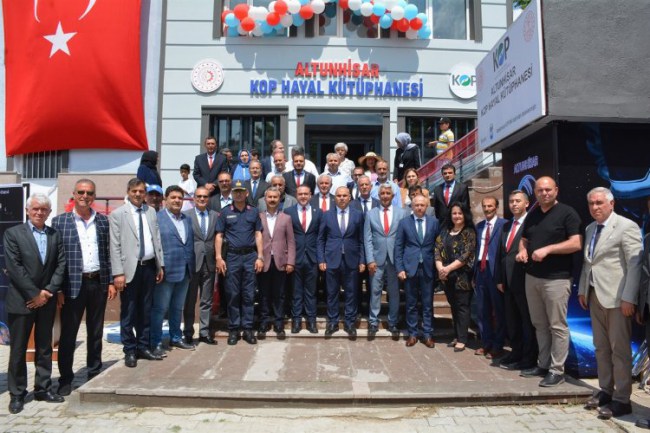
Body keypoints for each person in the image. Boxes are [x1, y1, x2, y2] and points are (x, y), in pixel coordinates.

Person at [578, 187, 641, 419]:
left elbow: (634, 264)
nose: (595, 207)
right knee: (601, 347)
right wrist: (583, 289)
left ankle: (622, 400)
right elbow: (589, 263)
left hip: (617, 299)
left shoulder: (626, 226)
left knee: (619, 350)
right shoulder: (590, 228)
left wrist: (629, 297)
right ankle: (606, 390)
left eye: (599, 203)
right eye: (591, 203)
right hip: (595, 295)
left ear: (611, 203)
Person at [516, 176, 582, 387]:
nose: (544, 193)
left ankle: (557, 370)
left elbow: (576, 243)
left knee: (557, 326)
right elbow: (524, 240)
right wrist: (523, 251)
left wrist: (549, 249)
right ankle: (543, 364)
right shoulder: (533, 214)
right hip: (532, 277)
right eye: (540, 190)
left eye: (548, 190)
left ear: (556, 190)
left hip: (556, 279)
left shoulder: (567, 213)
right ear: (535, 193)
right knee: (540, 324)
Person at [51, 180, 115, 397]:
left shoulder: (103, 221)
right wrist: (58, 289)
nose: (85, 196)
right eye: (81, 192)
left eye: (89, 193)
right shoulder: (60, 222)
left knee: (95, 332)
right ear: (74, 194)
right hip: (72, 285)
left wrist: (110, 281)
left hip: (98, 282)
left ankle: (94, 373)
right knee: (68, 334)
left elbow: (107, 253)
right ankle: (66, 379)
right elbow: (56, 258)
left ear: (94, 196)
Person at [4, 193, 66, 414]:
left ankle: (43, 388)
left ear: (49, 212)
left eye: (44, 209)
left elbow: (61, 265)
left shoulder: (55, 235)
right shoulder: (13, 234)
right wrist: (34, 294)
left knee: (44, 347)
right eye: (35, 209)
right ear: (27, 211)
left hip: (47, 300)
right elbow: (14, 267)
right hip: (22, 301)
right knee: (18, 349)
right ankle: (17, 394)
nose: (39, 212)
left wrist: (47, 292)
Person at [110, 178, 165, 368]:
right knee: (129, 311)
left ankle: (143, 346)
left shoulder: (151, 211)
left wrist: (160, 265)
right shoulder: (118, 214)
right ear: (128, 192)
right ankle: (130, 350)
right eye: (134, 191)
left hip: (149, 267)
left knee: (146, 310)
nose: (138, 194)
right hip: (129, 270)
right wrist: (118, 273)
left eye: (141, 191)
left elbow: (156, 239)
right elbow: (114, 246)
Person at [215, 180, 264, 346]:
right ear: (232, 193)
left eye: (241, 191)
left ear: (246, 193)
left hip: (250, 256)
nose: (238, 194)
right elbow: (219, 236)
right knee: (233, 294)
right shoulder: (225, 212)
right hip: (232, 257)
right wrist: (219, 257)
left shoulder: (253, 212)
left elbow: (258, 234)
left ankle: (248, 328)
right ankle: (234, 329)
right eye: (235, 191)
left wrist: (260, 257)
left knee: (249, 294)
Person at [150, 186, 196, 358]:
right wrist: (158, 267)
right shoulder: (157, 218)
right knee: (160, 309)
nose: (177, 200)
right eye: (173, 197)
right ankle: (155, 342)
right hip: (166, 271)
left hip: (185, 270)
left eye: (180, 198)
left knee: (177, 307)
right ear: (166, 199)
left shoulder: (186, 219)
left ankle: (176, 337)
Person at [495, 190, 538, 371]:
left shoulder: (532, 224)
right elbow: (501, 254)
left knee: (526, 321)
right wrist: (499, 278)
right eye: (511, 201)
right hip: (507, 282)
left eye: (518, 201)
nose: (514, 204)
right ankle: (516, 352)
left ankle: (528, 358)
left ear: (526, 203)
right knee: (512, 321)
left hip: (524, 280)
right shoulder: (506, 225)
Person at [318, 186, 366, 339]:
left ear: (350, 198)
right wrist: (321, 259)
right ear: (335, 198)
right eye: (339, 196)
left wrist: (362, 260)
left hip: (352, 260)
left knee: (351, 292)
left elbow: (362, 240)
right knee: (332, 293)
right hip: (332, 259)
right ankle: (332, 322)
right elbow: (321, 239)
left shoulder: (358, 215)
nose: (342, 198)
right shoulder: (327, 215)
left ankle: (350, 323)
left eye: (345, 195)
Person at [364, 183, 408, 339]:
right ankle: (373, 322)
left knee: (394, 292)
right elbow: (367, 239)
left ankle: (393, 322)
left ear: (393, 196)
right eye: (382, 193)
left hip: (395, 260)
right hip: (377, 259)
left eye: (388, 193)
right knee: (375, 291)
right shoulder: (370, 214)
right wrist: (370, 260)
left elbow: (404, 239)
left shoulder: (402, 213)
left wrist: (402, 261)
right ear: (378, 196)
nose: (385, 196)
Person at [395, 195, 439, 348]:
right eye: (416, 205)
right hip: (410, 268)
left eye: (422, 205)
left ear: (427, 206)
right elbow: (398, 247)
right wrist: (400, 268)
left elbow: (438, 246)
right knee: (411, 303)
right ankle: (412, 334)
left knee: (427, 304)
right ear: (412, 206)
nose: (419, 207)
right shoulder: (404, 223)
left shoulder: (434, 222)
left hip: (428, 267)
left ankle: (428, 334)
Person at [434, 203, 476, 352]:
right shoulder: (445, 231)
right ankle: (457, 336)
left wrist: (448, 269)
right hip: (446, 277)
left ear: (465, 215)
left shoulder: (469, 232)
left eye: (460, 213)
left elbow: (466, 255)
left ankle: (462, 339)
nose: (457, 216)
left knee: (462, 307)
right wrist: (441, 269)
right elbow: (437, 250)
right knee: (453, 306)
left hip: (462, 277)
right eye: (454, 213)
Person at [257, 188, 296, 338]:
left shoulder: (286, 218)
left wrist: (291, 261)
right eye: (270, 197)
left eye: (275, 197)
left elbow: (291, 241)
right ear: (265, 199)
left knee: (280, 294)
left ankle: (279, 324)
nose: (272, 200)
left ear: (279, 199)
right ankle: (264, 323)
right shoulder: (258, 217)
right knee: (264, 294)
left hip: (281, 261)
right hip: (264, 261)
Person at [183, 186, 219, 345]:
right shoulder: (186, 215)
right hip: (192, 263)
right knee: (190, 301)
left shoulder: (215, 215)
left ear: (208, 198)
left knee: (206, 300)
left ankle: (204, 332)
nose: (202, 199)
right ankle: (188, 332)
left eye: (205, 196)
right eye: (199, 196)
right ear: (194, 198)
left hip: (209, 263)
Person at [285, 185, 322, 334]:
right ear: (296, 195)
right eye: (300, 194)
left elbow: (321, 237)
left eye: (306, 194)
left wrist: (320, 258)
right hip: (295, 257)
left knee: (311, 291)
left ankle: (311, 321)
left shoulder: (318, 212)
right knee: (296, 291)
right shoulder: (288, 212)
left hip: (312, 258)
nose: (303, 196)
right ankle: (296, 321)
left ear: (311, 195)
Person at [473, 196, 507, 359]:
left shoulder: (504, 225)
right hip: (481, 271)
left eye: (490, 206)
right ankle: (486, 343)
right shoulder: (479, 226)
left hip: (495, 272)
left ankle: (498, 345)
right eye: (484, 206)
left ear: (496, 207)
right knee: (482, 310)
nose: (487, 209)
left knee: (498, 311)